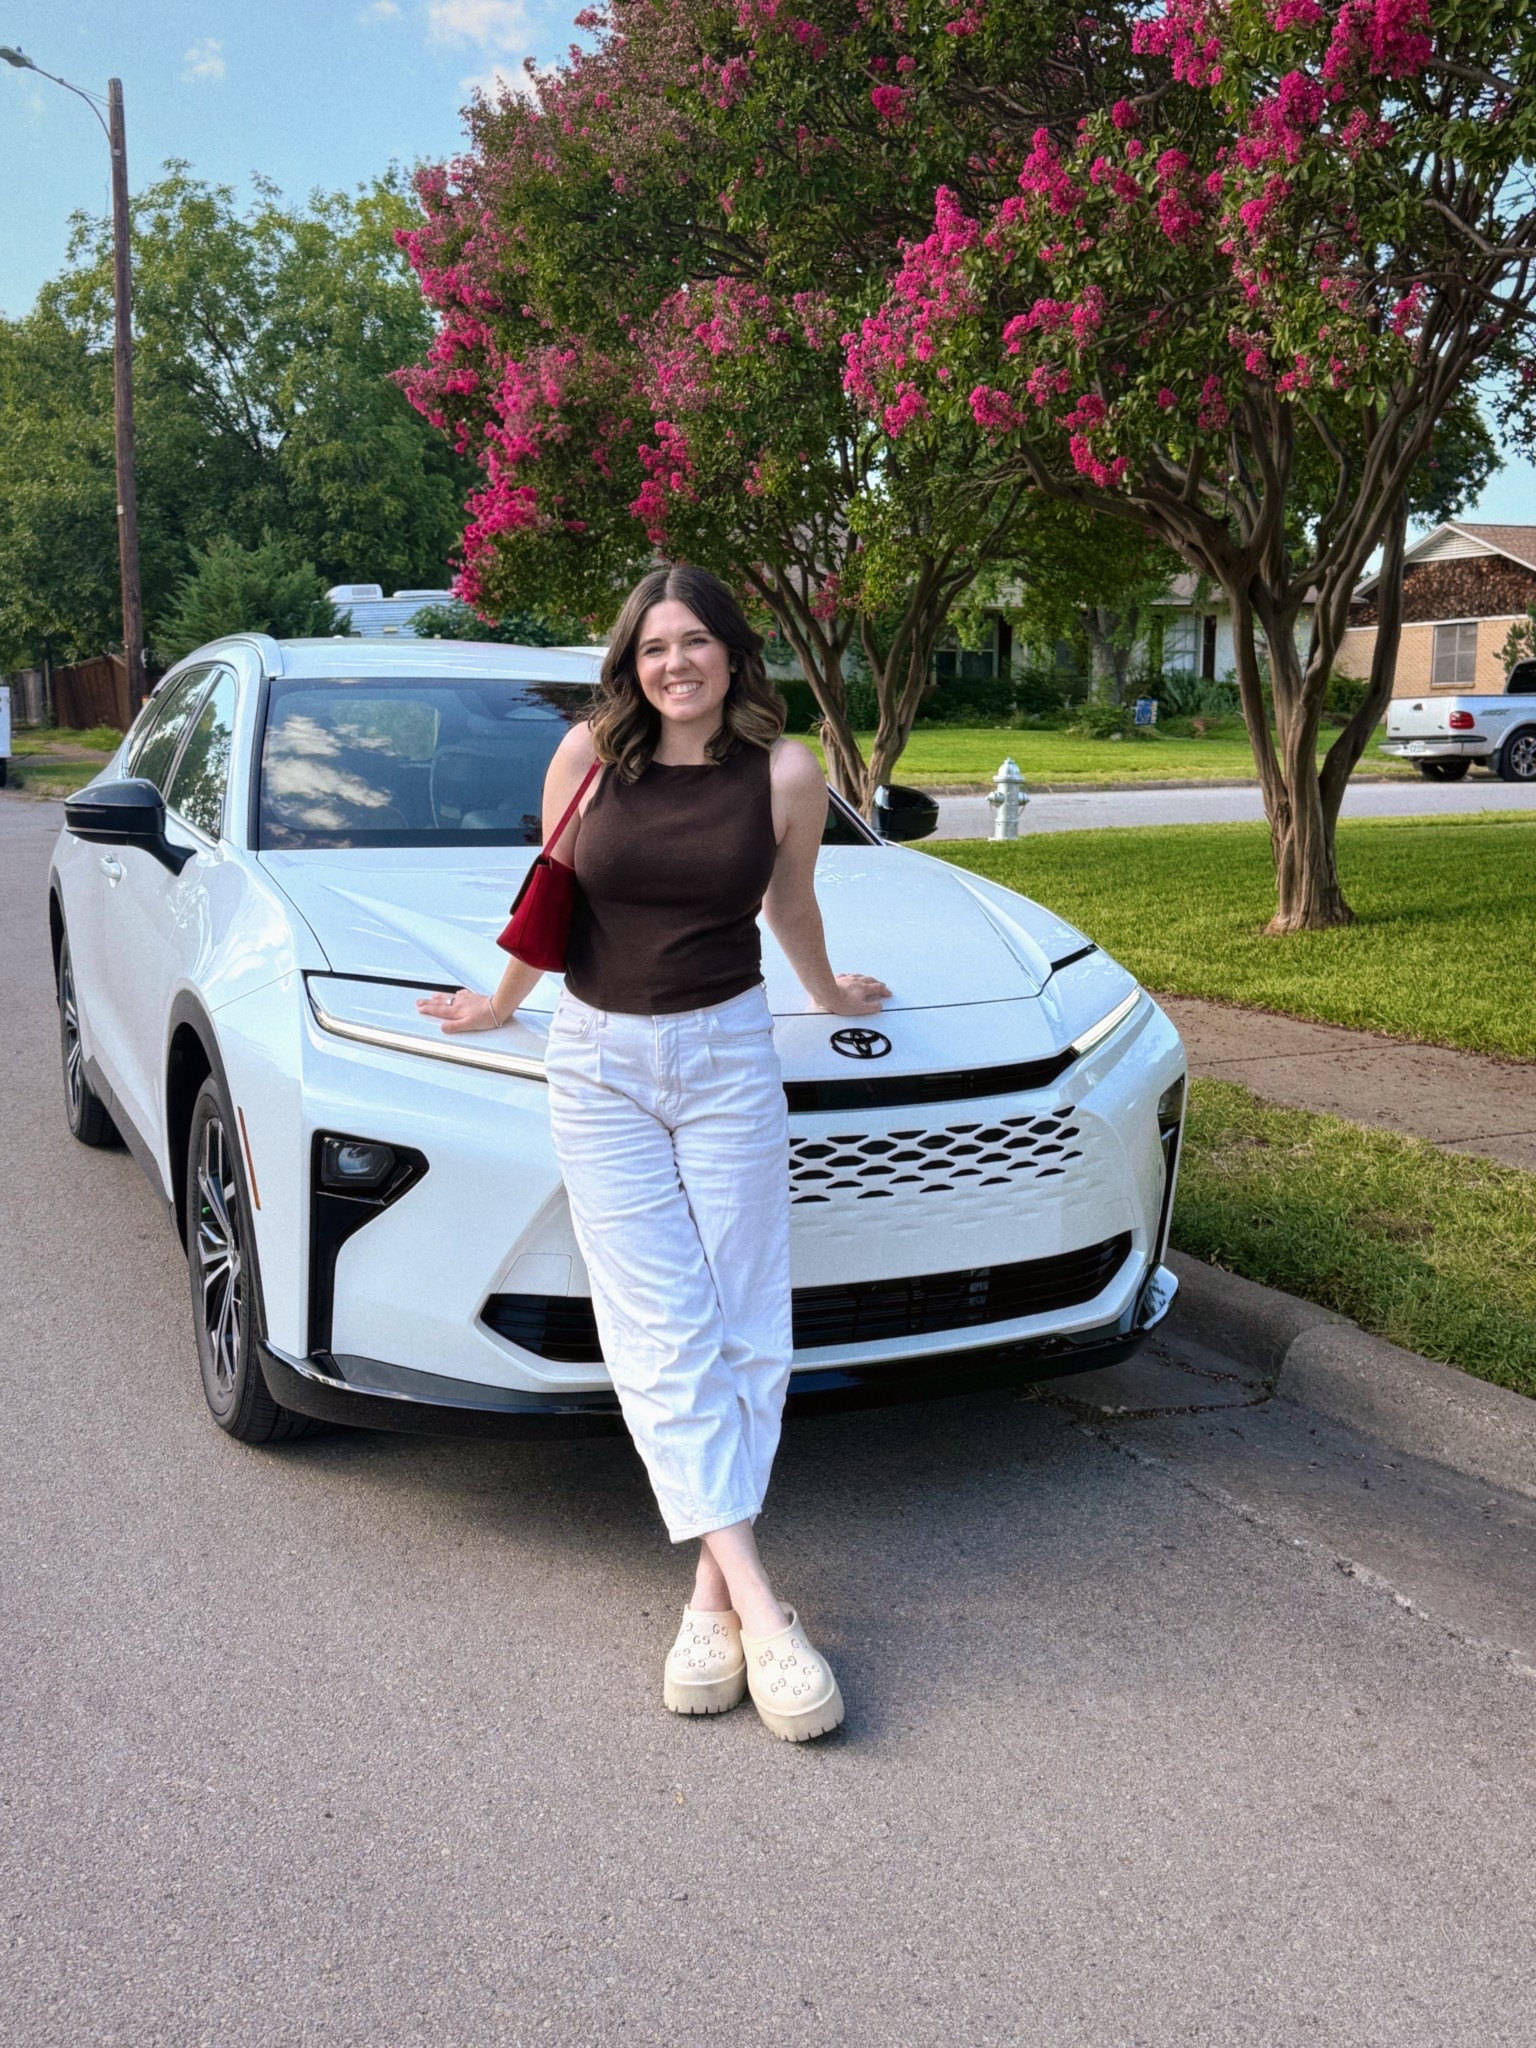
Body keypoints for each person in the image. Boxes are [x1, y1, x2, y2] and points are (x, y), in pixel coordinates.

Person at [417, 564, 889, 1741]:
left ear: (733, 651)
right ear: (630, 662)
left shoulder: (785, 770)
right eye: (652, 647)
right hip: (599, 1059)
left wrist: (828, 991)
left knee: (746, 1318)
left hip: (729, 1053)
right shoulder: (587, 756)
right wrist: (498, 998)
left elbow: (789, 909)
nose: (674, 664)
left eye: (695, 642)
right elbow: (553, 891)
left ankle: (704, 1599)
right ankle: (767, 1617)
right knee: (659, 1324)